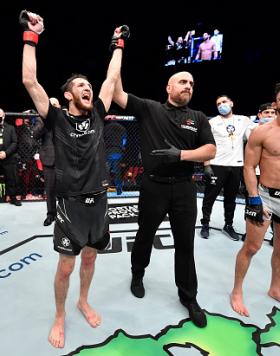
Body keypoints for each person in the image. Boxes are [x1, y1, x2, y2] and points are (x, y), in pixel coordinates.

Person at [19, 10, 129, 348]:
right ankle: (60, 315)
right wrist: (31, 35)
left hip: (99, 201)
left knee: (92, 257)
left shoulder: (97, 112)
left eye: (88, 85)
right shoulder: (55, 118)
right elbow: (29, 81)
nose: (88, 88)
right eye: (81, 85)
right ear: (67, 94)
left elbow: (111, 80)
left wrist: (118, 45)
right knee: (66, 267)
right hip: (69, 205)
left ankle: (83, 300)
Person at [113, 70, 216, 328]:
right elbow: (116, 93)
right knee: (145, 234)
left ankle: (189, 298)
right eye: (182, 82)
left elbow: (210, 150)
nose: (188, 86)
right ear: (168, 87)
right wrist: (118, 48)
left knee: (185, 244)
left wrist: (180, 155)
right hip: (153, 186)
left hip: (183, 187)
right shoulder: (149, 109)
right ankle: (137, 275)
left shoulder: (198, 117)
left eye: (192, 83)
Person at [230, 84, 280, 317]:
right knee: (252, 246)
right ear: (275, 104)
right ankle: (237, 291)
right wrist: (253, 198)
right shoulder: (262, 132)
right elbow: (249, 166)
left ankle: (275, 288)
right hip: (266, 197)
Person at [200, 95, 251, 240]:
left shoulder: (244, 120)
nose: (221, 105)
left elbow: (255, 135)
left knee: (231, 198)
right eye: (218, 104)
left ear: (231, 103)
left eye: (224, 102)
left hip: (236, 166)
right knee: (210, 197)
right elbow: (206, 144)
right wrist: (206, 165)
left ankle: (228, 225)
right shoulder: (213, 122)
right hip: (216, 165)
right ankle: (205, 224)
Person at [33, 97, 61, 225]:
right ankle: (51, 214)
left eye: (56, 105)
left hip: (65, 159)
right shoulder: (41, 119)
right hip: (49, 159)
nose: (54, 107)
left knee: (67, 188)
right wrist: (47, 121)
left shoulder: (65, 118)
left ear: (59, 106)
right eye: (51, 105)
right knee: (50, 189)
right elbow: (35, 135)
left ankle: (65, 214)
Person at [0, 108, 21, 206]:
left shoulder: (10, 128)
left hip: (7, 157)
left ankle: (13, 197)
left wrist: (6, 153)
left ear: (3, 116)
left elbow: (15, 142)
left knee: (11, 178)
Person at [104, 121, 127, 195]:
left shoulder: (106, 127)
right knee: (117, 172)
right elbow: (124, 140)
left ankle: (104, 189)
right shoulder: (122, 127)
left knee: (105, 171)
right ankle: (119, 190)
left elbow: (102, 139)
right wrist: (122, 148)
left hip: (108, 151)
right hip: (118, 151)